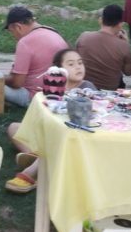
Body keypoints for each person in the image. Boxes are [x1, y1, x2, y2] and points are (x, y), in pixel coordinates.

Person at [5, 47, 93, 193]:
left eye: (80, 63)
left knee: (53, 142)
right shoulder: (54, 87)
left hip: (72, 138)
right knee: (13, 128)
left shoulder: (86, 88)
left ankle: (31, 171)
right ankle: (39, 159)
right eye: (71, 64)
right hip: (51, 134)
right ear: (59, 70)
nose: (78, 67)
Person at [2, 6, 69, 107]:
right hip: (59, 93)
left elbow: (17, 83)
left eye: (12, 31)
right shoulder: (53, 32)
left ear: (18, 27)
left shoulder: (25, 42)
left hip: (36, 97)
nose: (13, 36)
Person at [75, 4, 131, 90]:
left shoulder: (83, 37)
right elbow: (129, 72)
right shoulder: (123, 45)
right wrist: (126, 44)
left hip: (84, 89)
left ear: (100, 20)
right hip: (109, 93)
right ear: (120, 24)